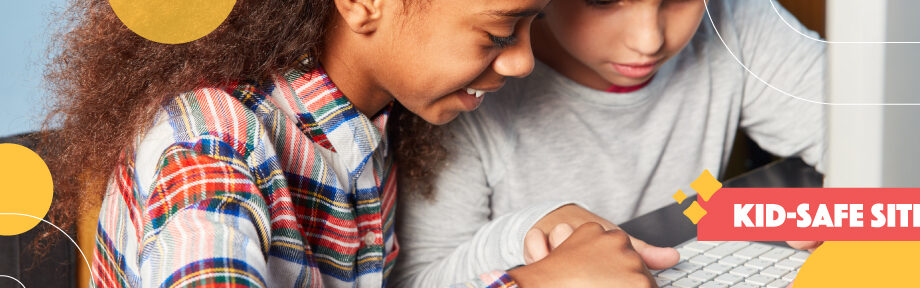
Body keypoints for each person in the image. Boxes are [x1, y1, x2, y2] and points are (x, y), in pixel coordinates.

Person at [41, 0, 669, 287]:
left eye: (534, 23)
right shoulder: (207, 141)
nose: (524, 63)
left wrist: (524, 237)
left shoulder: (370, 124)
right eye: (500, 30)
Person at [393, 0, 826, 286]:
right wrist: (526, 233)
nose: (649, 40)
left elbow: (877, 133)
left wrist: (853, 203)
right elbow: (416, 279)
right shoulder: (460, 85)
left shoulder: (735, 20)